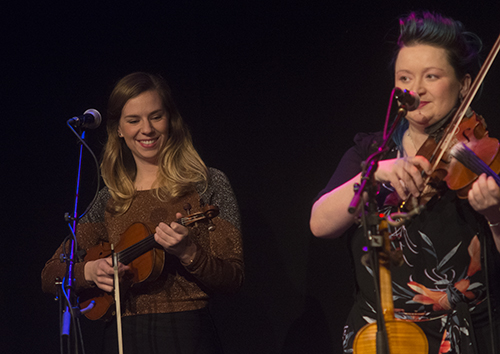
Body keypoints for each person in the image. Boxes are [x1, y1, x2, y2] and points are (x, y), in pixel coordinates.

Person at [310, 12, 500, 354]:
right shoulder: (370, 153)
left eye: (432, 75)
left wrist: (496, 217)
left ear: (465, 85)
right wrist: (372, 175)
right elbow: (320, 225)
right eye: (405, 77)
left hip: (462, 337)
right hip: (380, 338)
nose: (417, 88)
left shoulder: (482, 157)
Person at [41, 72, 244, 354]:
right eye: (133, 120)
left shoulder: (207, 184)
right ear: (119, 130)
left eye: (156, 117)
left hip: (188, 335)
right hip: (123, 338)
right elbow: (50, 273)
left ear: (171, 120)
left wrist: (189, 253)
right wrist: (88, 271)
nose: (146, 129)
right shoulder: (109, 201)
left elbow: (233, 277)